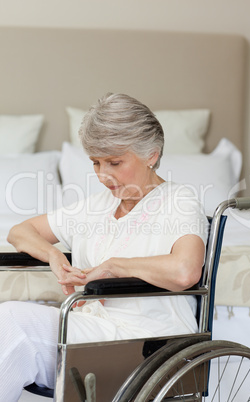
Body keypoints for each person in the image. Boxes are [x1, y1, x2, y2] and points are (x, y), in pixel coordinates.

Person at [2, 93, 208, 401]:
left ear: (151, 154)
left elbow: (185, 271)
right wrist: (53, 254)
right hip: (90, 332)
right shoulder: (95, 206)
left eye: (114, 162)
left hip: (148, 341)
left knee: (14, 324)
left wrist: (114, 266)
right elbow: (20, 231)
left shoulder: (179, 202)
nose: (102, 175)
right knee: (9, 326)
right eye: (95, 163)